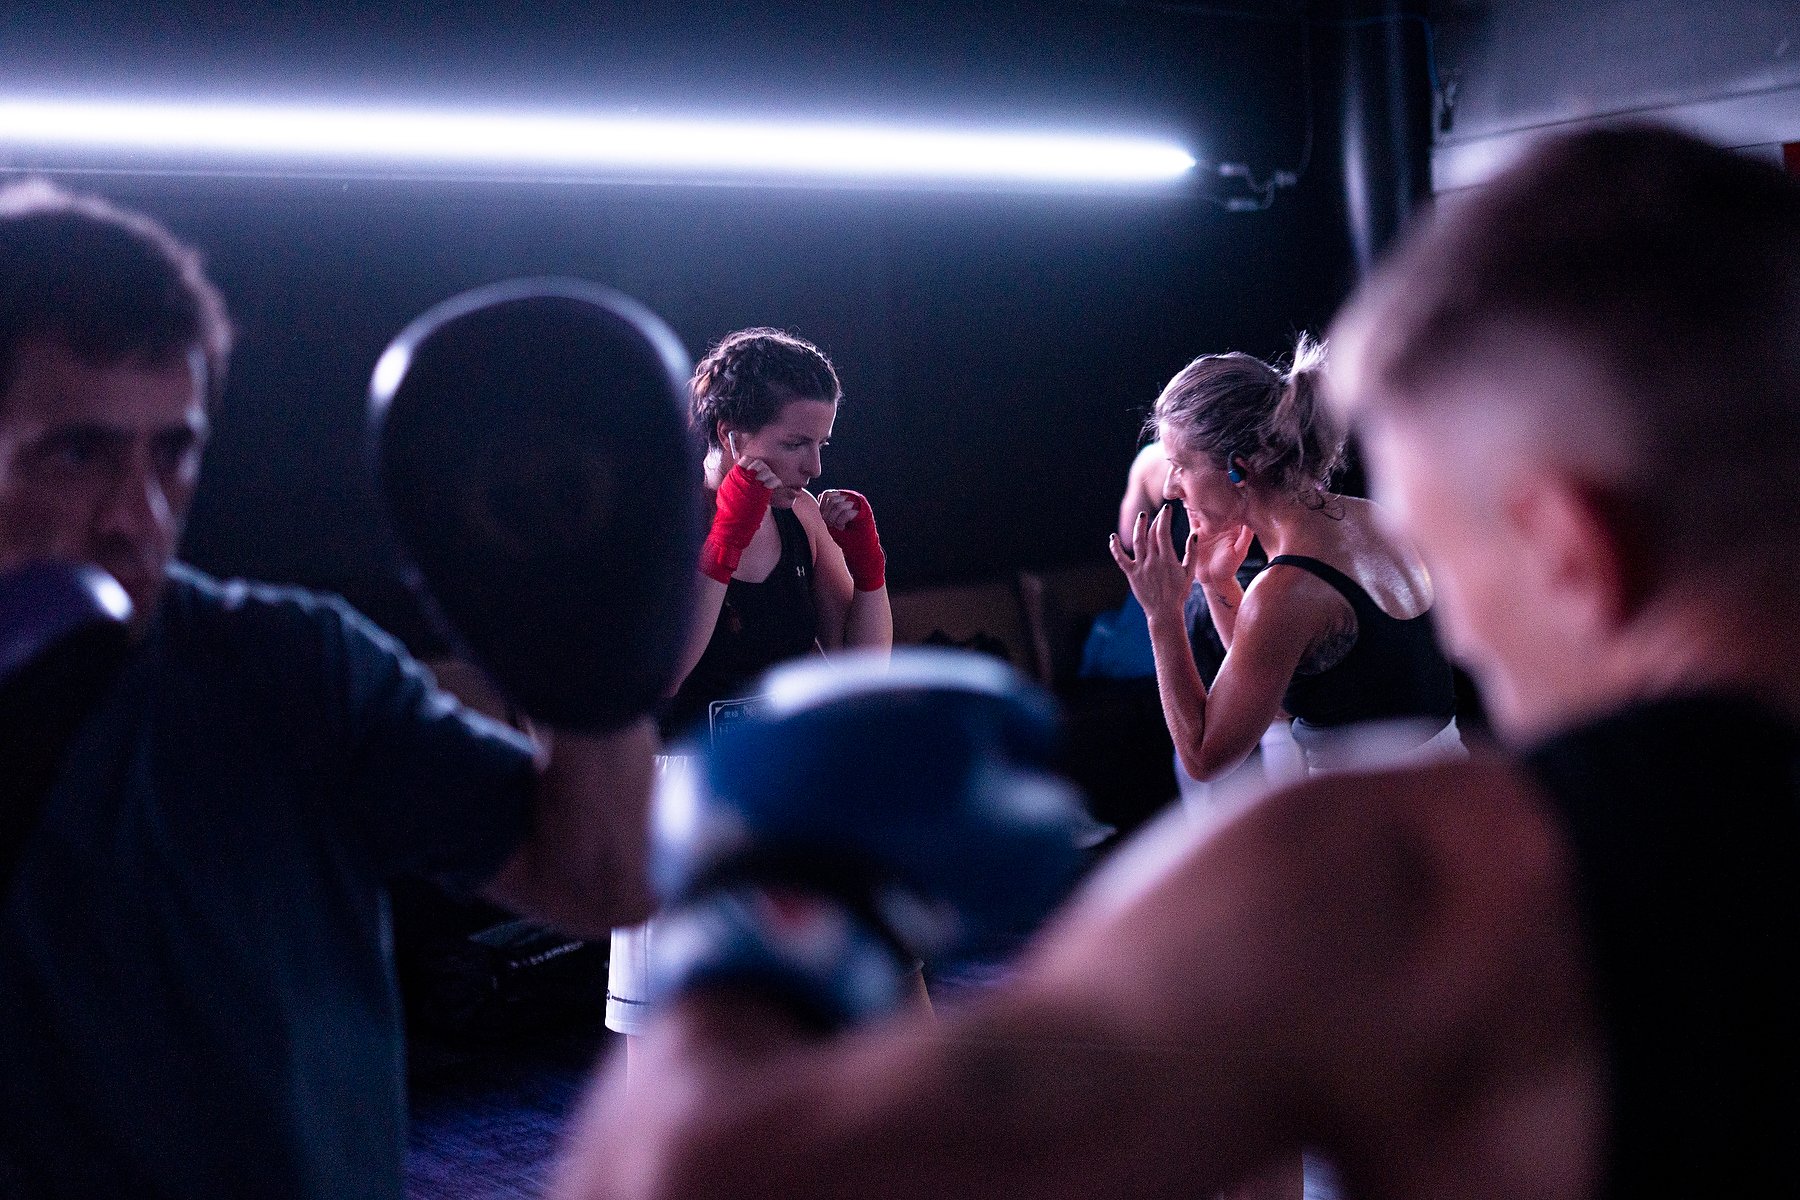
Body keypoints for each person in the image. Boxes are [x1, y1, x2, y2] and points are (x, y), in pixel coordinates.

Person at [551, 124, 1800, 1200]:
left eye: (1460, 549)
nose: (1458, 623)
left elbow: (695, 1170)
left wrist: (762, 910)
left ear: (1572, 549)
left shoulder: (1407, 877)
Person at [0, 181, 665, 1199]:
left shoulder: (288, 665)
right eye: (79, 452)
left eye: (173, 452)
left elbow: (600, 883)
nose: (137, 514)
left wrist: (596, 645)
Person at [605, 327, 893, 1044]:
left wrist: (871, 574)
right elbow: (664, 675)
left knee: (827, 1008)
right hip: (686, 787)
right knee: (685, 1031)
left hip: (789, 780)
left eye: (822, 442)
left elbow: (862, 674)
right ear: (735, 439)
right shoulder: (664, 519)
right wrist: (722, 546)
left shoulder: (799, 516)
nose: (815, 462)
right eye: (796, 443)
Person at [1111, 337, 1458, 783]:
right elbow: (1279, 695)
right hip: (1444, 795)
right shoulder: (1373, 517)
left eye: (1181, 466)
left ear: (1240, 469)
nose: (1172, 489)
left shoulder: (1288, 590)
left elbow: (1203, 758)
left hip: (1378, 829)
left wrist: (1162, 616)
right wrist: (1219, 586)